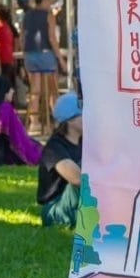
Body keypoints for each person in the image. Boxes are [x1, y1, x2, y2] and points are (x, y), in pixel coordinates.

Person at [0, 73, 42, 167]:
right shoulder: (5, 107)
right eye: (10, 89)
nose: (13, 91)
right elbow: (1, 134)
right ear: (4, 91)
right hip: (12, 151)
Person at [19, 0, 61, 133]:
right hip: (45, 54)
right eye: (49, 0)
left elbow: (22, 37)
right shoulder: (48, 15)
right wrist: (61, 59)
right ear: (44, 0)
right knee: (52, 89)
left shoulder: (26, 15)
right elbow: (52, 38)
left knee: (35, 90)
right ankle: (56, 119)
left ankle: (34, 122)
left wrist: (24, 56)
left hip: (30, 55)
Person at [39, 92, 83, 227]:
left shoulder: (85, 142)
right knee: (80, 183)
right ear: (70, 119)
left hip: (78, 202)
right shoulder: (54, 148)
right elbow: (77, 179)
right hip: (55, 209)